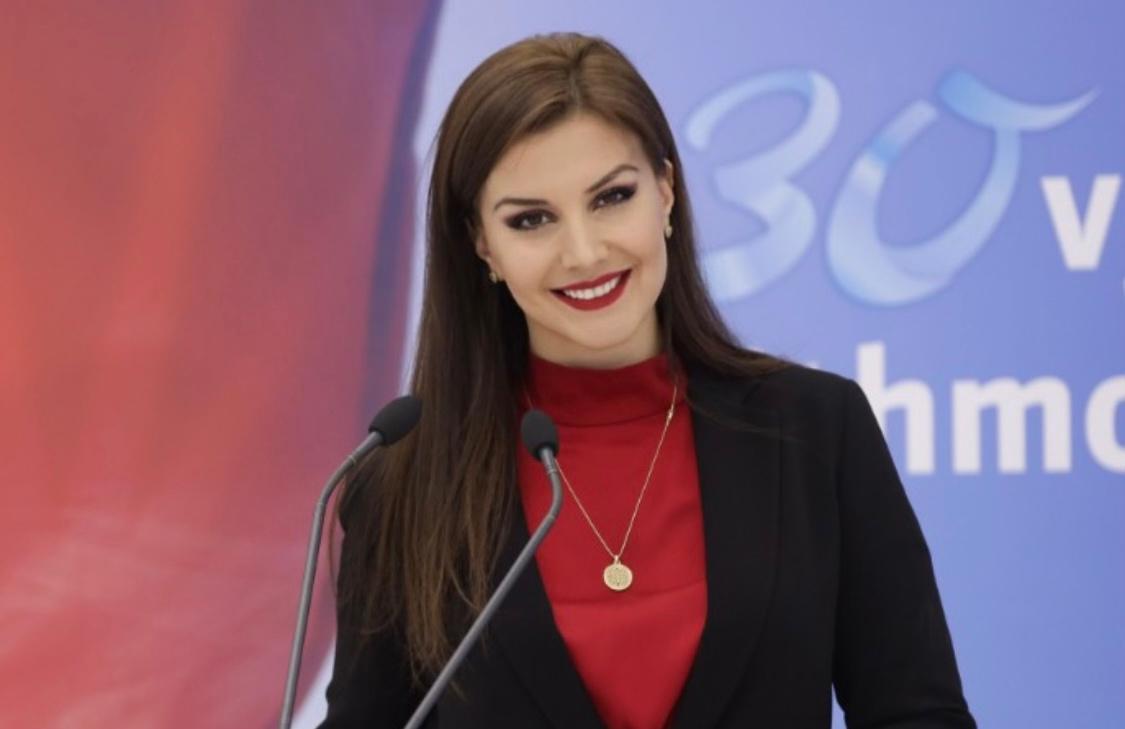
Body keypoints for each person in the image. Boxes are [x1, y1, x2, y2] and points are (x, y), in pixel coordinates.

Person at [318, 32, 975, 729]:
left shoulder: (817, 429)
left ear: (665, 191)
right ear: (482, 243)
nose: (583, 252)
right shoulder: (403, 484)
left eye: (611, 197)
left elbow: (918, 714)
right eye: (532, 219)